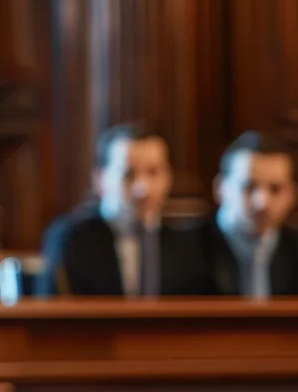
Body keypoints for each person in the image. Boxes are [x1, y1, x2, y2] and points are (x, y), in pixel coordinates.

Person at [35, 123, 214, 296]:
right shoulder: (71, 239)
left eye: (153, 172)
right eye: (128, 174)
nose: (143, 189)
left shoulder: (189, 245)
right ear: (100, 179)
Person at [199, 131, 298, 297]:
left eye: (275, 189)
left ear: (292, 195)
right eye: (249, 187)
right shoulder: (186, 251)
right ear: (221, 189)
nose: (262, 203)